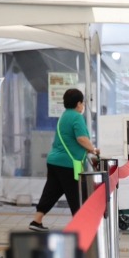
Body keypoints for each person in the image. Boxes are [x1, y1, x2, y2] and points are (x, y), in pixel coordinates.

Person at [29, 88, 99, 232]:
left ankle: (36, 221)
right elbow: (81, 138)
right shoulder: (76, 117)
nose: (84, 105)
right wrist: (93, 149)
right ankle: (80, 226)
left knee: (51, 191)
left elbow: (70, 140)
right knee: (75, 194)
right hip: (68, 163)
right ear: (78, 103)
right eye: (83, 102)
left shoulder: (63, 116)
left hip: (54, 161)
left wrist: (88, 149)